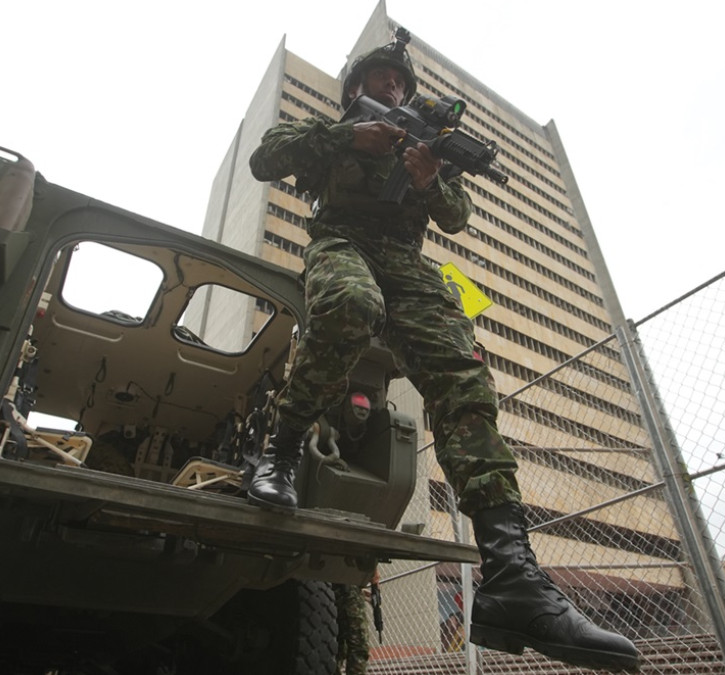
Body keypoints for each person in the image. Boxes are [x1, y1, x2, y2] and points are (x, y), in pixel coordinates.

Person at [246, 32, 641, 673]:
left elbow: (454, 217)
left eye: (401, 82)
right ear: (356, 88)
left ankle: (513, 574)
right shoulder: (329, 128)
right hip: (342, 242)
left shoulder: (421, 146)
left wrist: (429, 179)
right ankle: (281, 453)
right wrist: (349, 138)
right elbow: (267, 159)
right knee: (351, 305)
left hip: (407, 263)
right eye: (382, 79)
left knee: (464, 376)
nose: (394, 87)